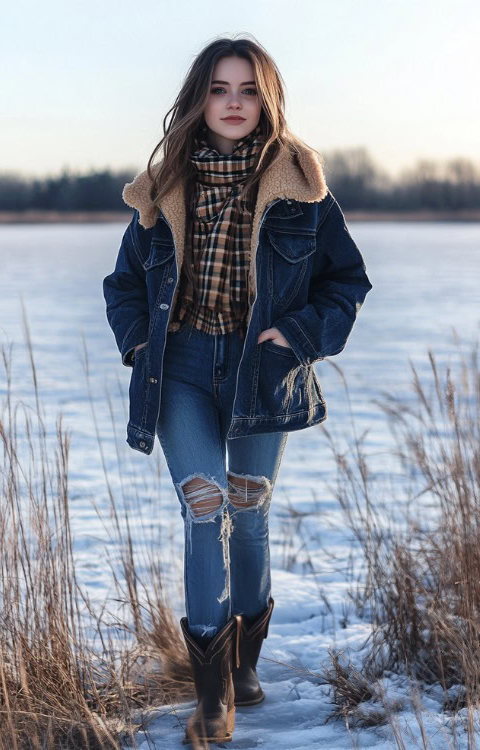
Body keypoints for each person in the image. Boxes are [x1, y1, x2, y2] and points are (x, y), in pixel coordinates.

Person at [103, 35, 372, 746]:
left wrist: (300, 334)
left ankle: (245, 662)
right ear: (200, 98)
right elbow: (124, 282)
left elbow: (348, 281)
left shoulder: (303, 189)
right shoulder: (163, 186)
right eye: (220, 89)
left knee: (248, 514)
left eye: (247, 90)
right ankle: (214, 697)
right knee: (207, 508)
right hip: (181, 367)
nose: (232, 103)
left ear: (267, 101)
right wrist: (136, 340)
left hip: (262, 370)